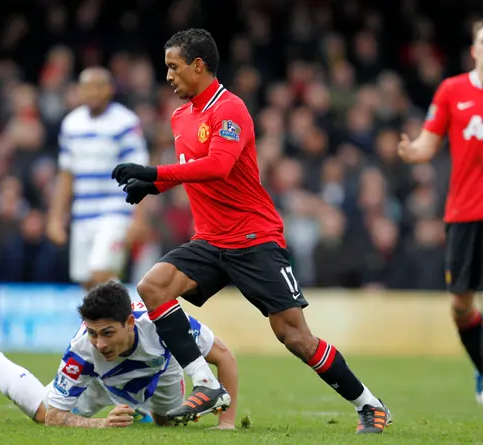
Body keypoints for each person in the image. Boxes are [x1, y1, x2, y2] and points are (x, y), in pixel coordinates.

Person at [111, 28, 391, 434]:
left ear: (198, 65)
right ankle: (206, 384)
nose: (168, 76)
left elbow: (218, 165)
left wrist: (155, 173)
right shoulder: (180, 116)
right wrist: (154, 186)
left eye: (173, 67)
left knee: (295, 337)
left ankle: (369, 405)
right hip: (209, 239)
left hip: (253, 238)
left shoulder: (231, 109)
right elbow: (193, 167)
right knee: (153, 287)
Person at [0, 281, 238, 429]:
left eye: (107, 333)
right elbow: (55, 416)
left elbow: (224, 357)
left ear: (130, 323)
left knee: (168, 425)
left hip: (162, 371)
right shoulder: (82, 350)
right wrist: (100, 424)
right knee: (42, 412)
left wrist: (226, 424)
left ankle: (140, 409)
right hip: (100, 382)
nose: (99, 343)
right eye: (93, 333)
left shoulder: (164, 325)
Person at [398, 20, 483, 402]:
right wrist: (411, 151)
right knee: (460, 303)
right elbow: (427, 145)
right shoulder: (453, 90)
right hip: (465, 212)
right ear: (474, 49)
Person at [47, 67, 149, 290]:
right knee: (86, 282)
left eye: (97, 87)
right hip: (82, 213)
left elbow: (139, 171)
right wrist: (55, 217)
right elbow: (66, 174)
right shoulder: (71, 124)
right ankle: (113, 320)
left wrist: (139, 218)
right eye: (86, 87)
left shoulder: (125, 122)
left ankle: (126, 321)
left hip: (116, 211)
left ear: (109, 90)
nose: (91, 93)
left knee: (101, 272)